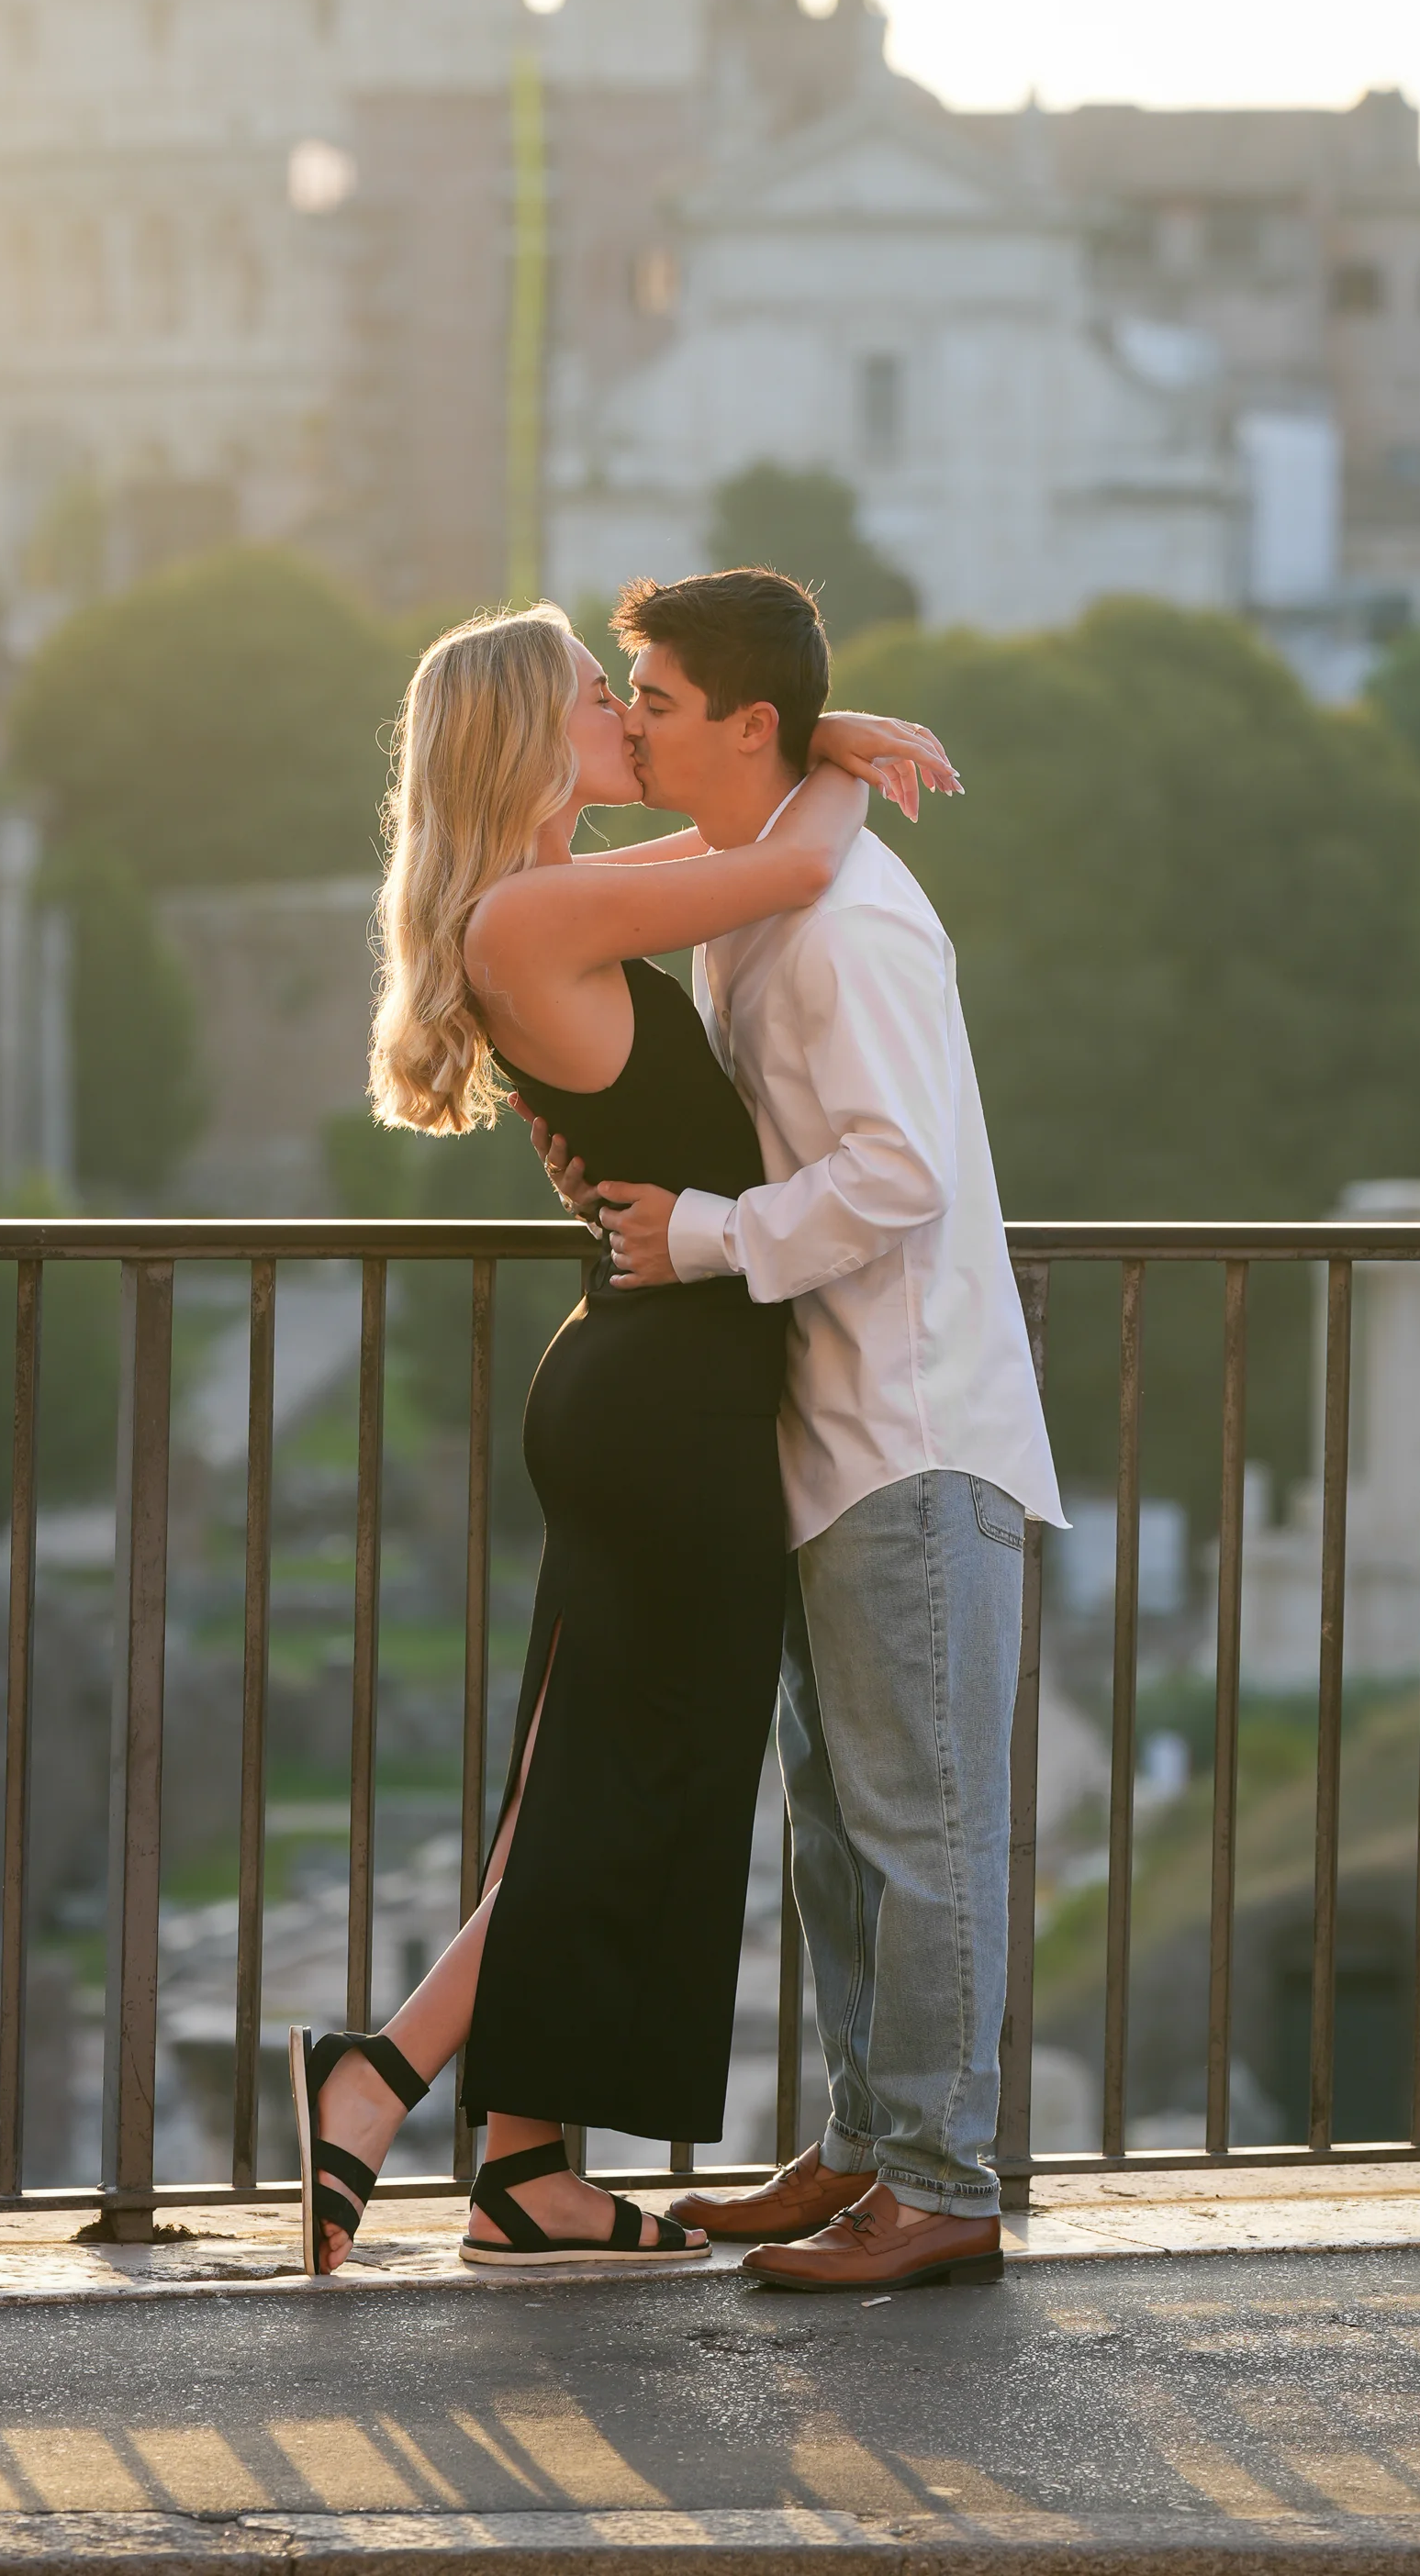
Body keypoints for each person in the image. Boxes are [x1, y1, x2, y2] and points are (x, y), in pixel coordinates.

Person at [290, 601, 956, 2275]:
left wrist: (810, 745)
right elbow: (787, 866)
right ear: (532, 730)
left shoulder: (546, 899)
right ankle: (382, 2080)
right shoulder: (542, 908)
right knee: (623, 1798)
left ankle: (525, 2174)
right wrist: (829, 744)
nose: (632, 717)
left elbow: (728, 839)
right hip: (665, 1398)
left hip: (653, 1384)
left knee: (583, 1794)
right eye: (605, 697)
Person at [535, 568, 1061, 2295]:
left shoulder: (846, 926)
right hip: (836, 1430)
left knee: (918, 1824)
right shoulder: (762, 888)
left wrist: (699, 1235)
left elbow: (897, 1176)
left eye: (657, 701)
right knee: (840, 1818)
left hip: (910, 1434)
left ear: (742, 724)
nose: (628, 723)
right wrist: (820, 737)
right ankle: (866, 2144)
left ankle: (940, 2184)